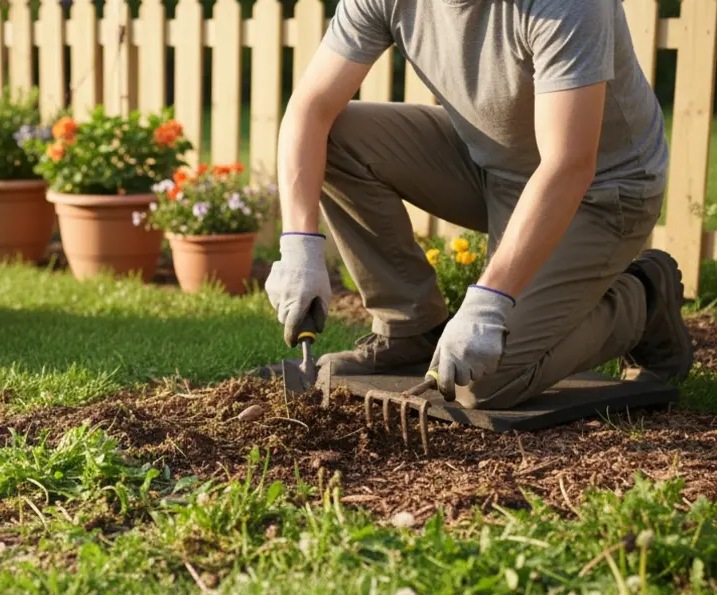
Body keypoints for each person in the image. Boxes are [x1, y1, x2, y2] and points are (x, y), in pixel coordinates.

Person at [264, 0, 693, 409]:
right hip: (490, 162)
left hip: (602, 190)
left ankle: (645, 298)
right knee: (337, 139)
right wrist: (299, 245)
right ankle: (409, 331)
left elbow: (569, 164)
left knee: (484, 382)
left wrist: (489, 301)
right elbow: (310, 109)